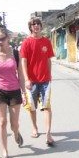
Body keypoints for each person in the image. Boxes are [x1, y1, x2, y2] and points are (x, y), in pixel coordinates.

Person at [0, 27, 26, 158]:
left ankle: (16, 132)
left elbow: (20, 74)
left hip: (14, 91)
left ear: (8, 38)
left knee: (14, 123)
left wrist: (24, 93)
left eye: (2, 39)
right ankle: (4, 151)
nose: (0, 42)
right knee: (2, 122)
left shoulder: (16, 54)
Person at [20, 17, 55, 146]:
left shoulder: (46, 41)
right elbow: (23, 61)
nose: (36, 26)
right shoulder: (26, 42)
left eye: (38, 24)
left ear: (41, 26)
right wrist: (27, 79)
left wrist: (49, 76)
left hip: (45, 80)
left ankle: (48, 133)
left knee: (47, 106)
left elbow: (48, 60)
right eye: (33, 24)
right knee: (32, 107)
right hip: (32, 81)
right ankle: (34, 127)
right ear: (31, 27)